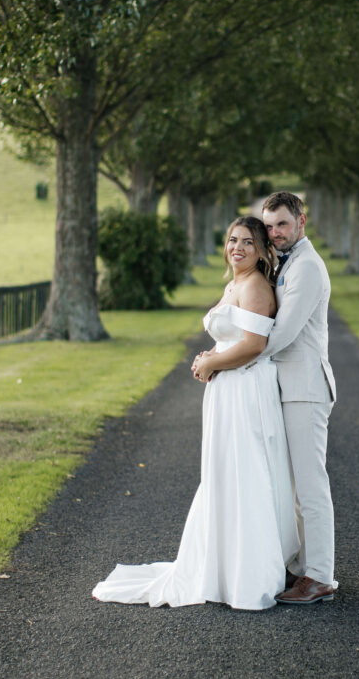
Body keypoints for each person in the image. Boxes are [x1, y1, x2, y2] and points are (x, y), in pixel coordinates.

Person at [92, 216, 299, 611]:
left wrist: (213, 363)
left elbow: (254, 345)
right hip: (228, 390)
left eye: (247, 243)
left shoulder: (255, 285)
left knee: (244, 473)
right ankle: (223, 566)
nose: (237, 248)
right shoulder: (235, 282)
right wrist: (211, 358)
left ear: (261, 251)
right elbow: (232, 337)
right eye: (232, 240)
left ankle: (248, 573)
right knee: (225, 474)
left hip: (244, 391)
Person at [260, 191, 337, 605]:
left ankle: (321, 576)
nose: (274, 233)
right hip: (289, 388)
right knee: (293, 490)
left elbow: (284, 333)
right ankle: (304, 568)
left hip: (306, 390)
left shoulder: (307, 267)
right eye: (269, 226)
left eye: (282, 224)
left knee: (310, 488)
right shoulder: (285, 263)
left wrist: (231, 358)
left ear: (301, 221)